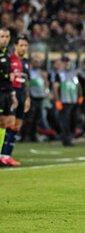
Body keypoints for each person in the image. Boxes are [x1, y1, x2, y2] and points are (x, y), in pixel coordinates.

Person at [0, 35, 30, 166]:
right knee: (8, 123)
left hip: (22, 94)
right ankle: (2, 154)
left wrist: (28, 97)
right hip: (11, 93)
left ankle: (7, 155)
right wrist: (11, 94)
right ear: (15, 46)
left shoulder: (26, 63)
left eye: (25, 46)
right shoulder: (9, 59)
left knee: (17, 125)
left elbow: (27, 81)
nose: (23, 48)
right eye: (21, 45)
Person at [54, 56, 83, 146]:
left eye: (67, 62)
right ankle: (66, 140)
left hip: (73, 101)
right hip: (64, 101)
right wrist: (57, 100)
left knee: (73, 120)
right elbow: (55, 88)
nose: (66, 64)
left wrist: (80, 95)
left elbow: (78, 85)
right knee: (65, 121)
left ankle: (70, 137)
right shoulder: (59, 74)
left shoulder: (73, 73)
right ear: (61, 63)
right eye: (64, 62)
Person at [0, 28, 18, 166]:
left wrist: (13, 94)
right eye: (2, 36)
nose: (4, 39)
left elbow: (10, 77)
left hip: (6, 93)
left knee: (4, 123)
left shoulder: (8, 54)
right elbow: (7, 76)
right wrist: (7, 76)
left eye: (7, 36)